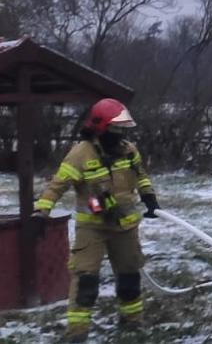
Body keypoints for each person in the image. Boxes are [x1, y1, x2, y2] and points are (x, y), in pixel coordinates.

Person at [33, 99, 158, 341]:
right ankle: (77, 333)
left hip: (125, 226)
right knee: (86, 280)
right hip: (93, 228)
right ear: (101, 127)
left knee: (130, 276)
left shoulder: (129, 150)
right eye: (115, 129)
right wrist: (42, 211)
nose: (120, 135)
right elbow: (57, 185)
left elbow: (141, 176)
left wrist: (149, 197)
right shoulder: (80, 154)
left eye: (123, 129)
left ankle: (132, 324)